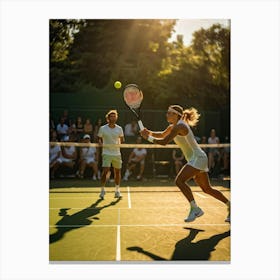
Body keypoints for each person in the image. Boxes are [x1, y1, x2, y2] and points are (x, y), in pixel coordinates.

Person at [140, 105, 230, 223]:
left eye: (169, 113)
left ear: (176, 115)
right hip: (197, 158)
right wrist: (149, 132)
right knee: (207, 189)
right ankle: (231, 205)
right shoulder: (173, 126)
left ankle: (195, 208)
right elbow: (162, 134)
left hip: (198, 158)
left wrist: (148, 138)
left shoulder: (180, 126)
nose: (166, 115)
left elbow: (164, 142)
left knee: (179, 181)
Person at [97, 109, 124, 199]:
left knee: (117, 172)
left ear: (116, 118)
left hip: (117, 153)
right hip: (106, 152)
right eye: (111, 116)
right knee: (106, 171)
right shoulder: (102, 128)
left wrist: (119, 143)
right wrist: (100, 143)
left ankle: (117, 190)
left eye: (114, 116)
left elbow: (122, 139)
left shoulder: (119, 128)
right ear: (108, 118)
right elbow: (99, 138)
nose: (113, 117)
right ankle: (102, 190)